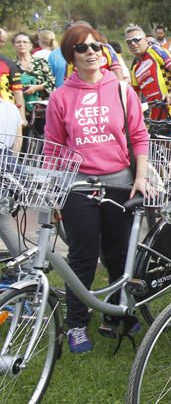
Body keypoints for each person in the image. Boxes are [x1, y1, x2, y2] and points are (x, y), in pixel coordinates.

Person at [44, 23, 150, 353]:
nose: (91, 52)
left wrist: (141, 177)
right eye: (82, 48)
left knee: (118, 254)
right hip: (78, 185)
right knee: (82, 257)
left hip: (119, 181)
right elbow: (53, 148)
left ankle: (117, 314)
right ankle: (76, 322)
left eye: (96, 46)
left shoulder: (120, 89)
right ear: (70, 56)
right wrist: (52, 190)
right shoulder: (61, 97)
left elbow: (139, 135)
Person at [127, 25, 171, 119]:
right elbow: (136, 97)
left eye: (136, 39)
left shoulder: (154, 50)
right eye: (129, 41)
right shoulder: (135, 68)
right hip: (155, 112)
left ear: (145, 40)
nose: (133, 44)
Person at [0, 97, 24, 261]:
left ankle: (30, 265)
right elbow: (18, 142)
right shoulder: (11, 108)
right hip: (8, 167)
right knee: (3, 222)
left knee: (4, 223)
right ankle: (29, 265)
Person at [13, 32, 55, 118]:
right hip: (20, 111)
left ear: (31, 45)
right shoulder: (11, 65)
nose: (22, 44)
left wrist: (37, 87)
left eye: (25, 42)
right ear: (14, 46)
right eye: (18, 42)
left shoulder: (41, 62)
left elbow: (52, 82)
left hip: (42, 110)